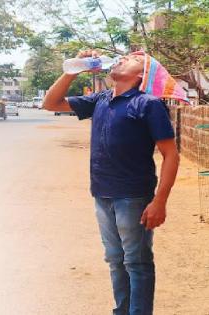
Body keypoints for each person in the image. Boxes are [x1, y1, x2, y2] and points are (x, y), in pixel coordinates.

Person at [43, 50, 184, 315]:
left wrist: (160, 201)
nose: (120, 59)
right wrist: (72, 71)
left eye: (131, 59)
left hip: (133, 196)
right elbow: (51, 103)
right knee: (115, 260)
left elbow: (170, 154)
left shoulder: (147, 103)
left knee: (137, 261)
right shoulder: (100, 100)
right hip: (102, 194)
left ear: (141, 75)